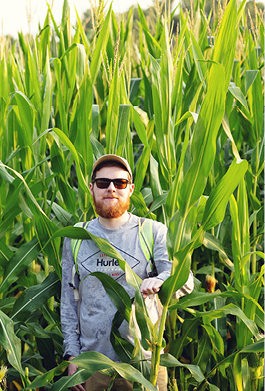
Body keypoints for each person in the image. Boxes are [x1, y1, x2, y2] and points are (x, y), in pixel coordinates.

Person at [60, 154, 193, 391]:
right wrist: (72, 355)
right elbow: (69, 302)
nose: (111, 188)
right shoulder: (76, 237)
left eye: (119, 183)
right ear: (92, 189)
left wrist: (159, 281)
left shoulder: (152, 232)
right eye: (103, 183)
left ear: (130, 189)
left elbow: (185, 282)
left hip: (145, 366)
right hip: (93, 365)